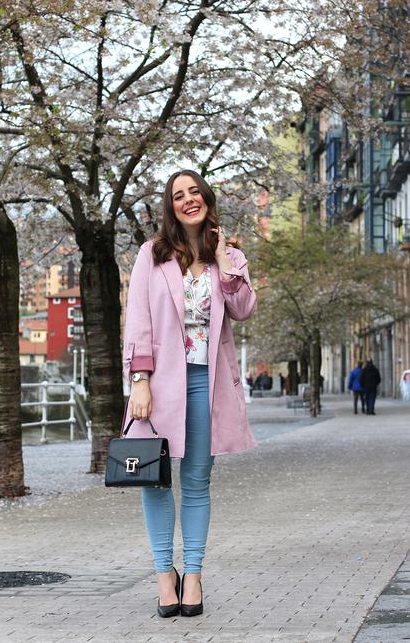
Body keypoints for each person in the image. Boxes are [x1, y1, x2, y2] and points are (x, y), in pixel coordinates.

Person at [122, 170, 257, 618]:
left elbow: (243, 309)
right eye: (178, 195)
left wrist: (224, 259)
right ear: (171, 206)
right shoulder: (152, 255)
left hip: (207, 383)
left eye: (194, 191)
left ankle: (193, 575)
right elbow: (138, 318)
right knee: (154, 479)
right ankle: (165, 576)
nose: (188, 200)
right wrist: (138, 379)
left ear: (206, 197)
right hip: (158, 386)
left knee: (197, 482)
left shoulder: (229, 256)